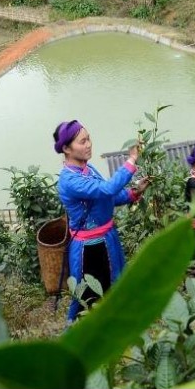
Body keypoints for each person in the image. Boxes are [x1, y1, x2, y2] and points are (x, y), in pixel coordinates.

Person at [53, 119, 140, 322]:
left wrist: (133, 194)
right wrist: (132, 160)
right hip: (89, 250)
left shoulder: (88, 169)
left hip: (107, 240)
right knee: (89, 299)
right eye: (82, 142)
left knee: (114, 288)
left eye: (89, 138)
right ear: (66, 148)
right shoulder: (69, 180)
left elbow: (106, 198)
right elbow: (107, 188)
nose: (89, 144)